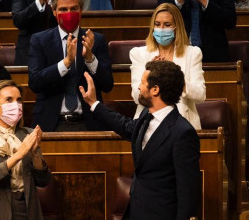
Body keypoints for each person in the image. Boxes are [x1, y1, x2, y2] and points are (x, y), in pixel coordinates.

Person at [79, 60, 200, 220]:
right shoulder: (145, 116)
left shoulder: (182, 132)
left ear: (155, 90)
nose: (138, 87)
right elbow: (125, 125)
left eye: (142, 83)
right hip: (136, 209)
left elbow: (188, 189)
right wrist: (94, 104)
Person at [27, 0, 113, 131]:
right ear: (54, 11)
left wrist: (90, 58)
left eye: (74, 9)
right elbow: (35, 83)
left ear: (81, 10)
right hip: (50, 123)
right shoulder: (39, 40)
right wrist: (66, 63)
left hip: (89, 121)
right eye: (63, 9)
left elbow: (107, 85)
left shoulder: (96, 40)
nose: (69, 13)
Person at [0, 80, 51, 220]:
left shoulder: (28, 134)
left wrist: (35, 153)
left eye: (18, 100)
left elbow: (43, 181)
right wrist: (18, 155)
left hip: (26, 208)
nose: (16, 105)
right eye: (9, 100)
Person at [130, 3, 205, 130]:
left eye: (167, 24)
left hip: (183, 124)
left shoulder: (193, 53)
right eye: (157, 24)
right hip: (149, 125)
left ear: (177, 27)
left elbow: (200, 95)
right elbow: (137, 96)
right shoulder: (139, 54)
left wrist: (175, 79)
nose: (161, 29)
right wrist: (150, 74)